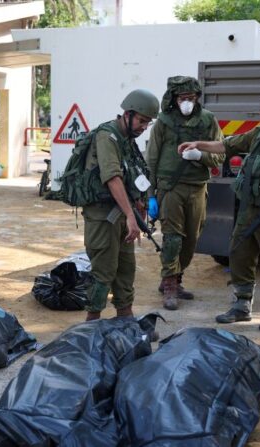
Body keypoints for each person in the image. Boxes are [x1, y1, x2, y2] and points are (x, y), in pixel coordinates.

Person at [178, 92, 260, 331]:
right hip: (248, 210)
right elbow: (227, 145)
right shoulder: (258, 134)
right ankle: (241, 305)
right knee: (238, 254)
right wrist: (198, 144)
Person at [146, 76, 224, 311]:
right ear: (174, 99)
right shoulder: (164, 122)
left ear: (197, 98)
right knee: (172, 237)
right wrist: (150, 193)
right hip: (171, 187)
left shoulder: (208, 120)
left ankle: (175, 278)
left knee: (191, 239)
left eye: (191, 98)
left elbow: (220, 154)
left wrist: (201, 156)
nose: (187, 102)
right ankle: (169, 283)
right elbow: (151, 158)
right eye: (182, 98)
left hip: (198, 186)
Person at [82, 89, 159, 321]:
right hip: (103, 215)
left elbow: (132, 176)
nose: (144, 127)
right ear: (128, 114)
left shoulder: (127, 139)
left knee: (126, 268)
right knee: (103, 271)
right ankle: (90, 325)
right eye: (142, 121)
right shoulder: (108, 136)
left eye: (148, 123)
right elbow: (112, 178)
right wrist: (131, 216)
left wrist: (139, 206)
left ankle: (125, 319)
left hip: (123, 213)